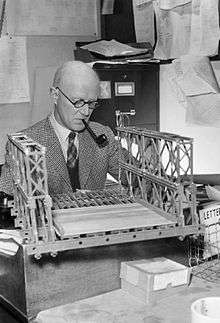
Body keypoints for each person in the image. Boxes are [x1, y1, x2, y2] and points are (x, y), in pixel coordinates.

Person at [0, 61, 127, 196]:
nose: (85, 112)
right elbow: (6, 198)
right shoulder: (24, 144)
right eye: (78, 102)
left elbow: (137, 179)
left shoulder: (102, 135)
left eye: (91, 103)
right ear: (55, 95)